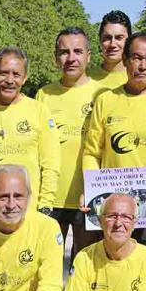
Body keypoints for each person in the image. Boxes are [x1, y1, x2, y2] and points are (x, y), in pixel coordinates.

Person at [83, 31, 146, 261]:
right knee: (113, 277)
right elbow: (92, 152)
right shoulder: (106, 101)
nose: (142, 65)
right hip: (114, 210)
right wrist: (91, 190)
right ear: (126, 60)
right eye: (137, 58)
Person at [36, 27, 105, 258]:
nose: (71, 58)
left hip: (88, 195)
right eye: (64, 52)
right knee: (49, 268)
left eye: (78, 51)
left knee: (84, 266)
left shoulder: (103, 94)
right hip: (51, 196)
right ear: (56, 58)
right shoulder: (44, 95)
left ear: (89, 55)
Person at [0, 47, 60, 214]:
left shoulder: (39, 111)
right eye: (3, 73)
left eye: (16, 74)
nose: (9, 80)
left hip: (28, 210)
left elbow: (50, 163)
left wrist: (45, 203)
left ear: (25, 77)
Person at [89, 10, 131, 89]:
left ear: (129, 41)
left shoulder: (137, 77)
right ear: (100, 40)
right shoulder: (86, 77)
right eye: (107, 38)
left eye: (119, 38)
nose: (112, 44)